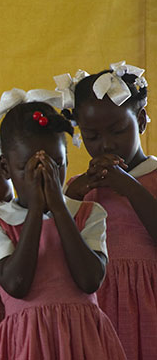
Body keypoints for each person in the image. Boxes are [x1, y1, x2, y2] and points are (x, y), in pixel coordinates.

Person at [0, 90, 126, 359]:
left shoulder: (89, 213)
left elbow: (90, 280)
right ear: (6, 168)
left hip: (84, 341)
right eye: (29, 168)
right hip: (25, 343)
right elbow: (16, 284)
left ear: (68, 160)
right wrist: (35, 209)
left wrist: (58, 206)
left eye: (57, 165)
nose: (46, 177)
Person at [60, 61, 157, 360]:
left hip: (150, 304)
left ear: (140, 121)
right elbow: (60, 249)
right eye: (91, 136)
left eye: (117, 131)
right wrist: (72, 197)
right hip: (96, 308)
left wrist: (128, 186)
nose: (105, 144)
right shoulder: (79, 187)